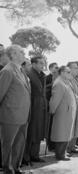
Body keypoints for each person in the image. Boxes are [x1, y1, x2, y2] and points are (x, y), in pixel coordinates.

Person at [0, 45, 31, 174]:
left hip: (23, 116)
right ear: (13, 54)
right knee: (8, 145)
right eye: (21, 52)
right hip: (10, 116)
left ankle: (16, 168)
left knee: (19, 145)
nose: (24, 53)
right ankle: (8, 169)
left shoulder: (21, 70)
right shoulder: (7, 71)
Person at [49, 66, 76, 161]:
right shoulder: (59, 83)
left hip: (67, 112)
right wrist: (52, 111)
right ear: (62, 72)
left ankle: (63, 152)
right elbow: (55, 100)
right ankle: (60, 155)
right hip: (62, 113)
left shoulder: (65, 82)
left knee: (65, 134)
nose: (70, 74)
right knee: (61, 134)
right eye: (68, 72)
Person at [24, 56, 47, 164]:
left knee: (38, 132)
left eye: (44, 63)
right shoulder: (28, 74)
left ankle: (35, 155)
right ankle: (26, 157)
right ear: (33, 64)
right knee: (30, 133)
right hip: (31, 107)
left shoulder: (42, 75)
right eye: (41, 63)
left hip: (41, 107)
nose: (43, 65)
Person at [66, 62, 78, 154]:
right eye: (75, 68)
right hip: (73, 106)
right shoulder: (68, 78)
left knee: (77, 126)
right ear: (70, 68)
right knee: (71, 127)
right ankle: (68, 148)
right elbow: (71, 93)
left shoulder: (77, 78)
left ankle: (72, 146)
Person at [45, 62, 59, 151]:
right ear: (50, 69)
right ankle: (50, 145)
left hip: (58, 104)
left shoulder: (59, 77)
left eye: (58, 67)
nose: (57, 69)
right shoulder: (47, 78)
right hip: (50, 103)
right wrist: (52, 84)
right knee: (50, 126)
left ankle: (55, 144)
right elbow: (44, 89)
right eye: (55, 67)